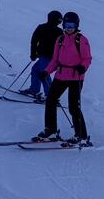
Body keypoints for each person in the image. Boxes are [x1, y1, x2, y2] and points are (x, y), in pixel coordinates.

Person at [33, 12, 92, 146]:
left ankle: (81, 135)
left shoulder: (81, 40)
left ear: (76, 26)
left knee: (73, 107)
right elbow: (55, 60)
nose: (69, 28)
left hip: (76, 77)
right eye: (66, 25)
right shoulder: (60, 39)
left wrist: (83, 67)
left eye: (72, 25)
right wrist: (46, 71)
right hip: (60, 76)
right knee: (51, 101)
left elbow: (87, 58)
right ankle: (51, 130)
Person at [19, 10, 63, 101]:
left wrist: (33, 53)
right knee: (36, 70)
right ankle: (34, 90)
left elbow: (34, 41)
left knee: (43, 73)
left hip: (48, 57)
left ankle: (51, 96)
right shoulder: (59, 31)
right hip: (49, 57)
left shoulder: (42, 27)